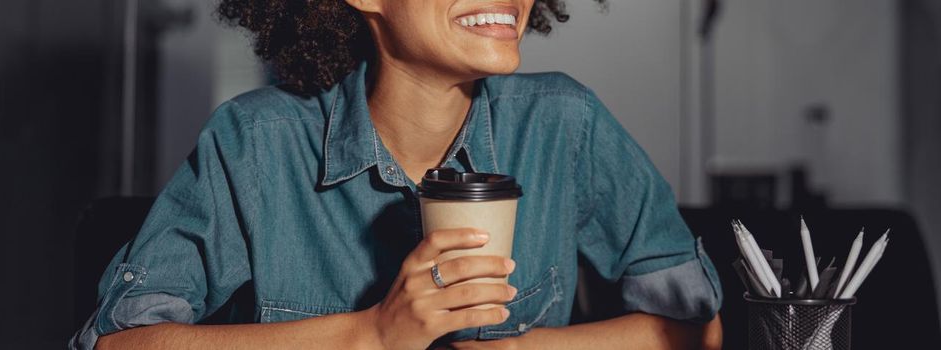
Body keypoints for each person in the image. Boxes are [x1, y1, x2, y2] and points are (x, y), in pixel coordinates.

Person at [72, 0, 723, 348]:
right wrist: (372, 336)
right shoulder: (258, 141)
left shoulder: (564, 124)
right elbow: (119, 347)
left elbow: (694, 328)